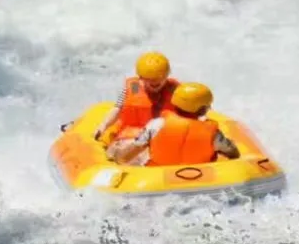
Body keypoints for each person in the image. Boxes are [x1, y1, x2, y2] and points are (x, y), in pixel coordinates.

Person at [106, 82, 240, 167]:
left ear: (175, 103)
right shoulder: (214, 134)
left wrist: (114, 156)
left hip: (157, 178)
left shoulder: (157, 124)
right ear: (203, 109)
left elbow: (127, 155)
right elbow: (234, 154)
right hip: (199, 179)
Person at [93, 51, 179, 142]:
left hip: (163, 136)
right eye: (150, 80)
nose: (155, 82)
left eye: (159, 79)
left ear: (166, 76)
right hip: (133, 134)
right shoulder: (133, 88)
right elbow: (117, 109)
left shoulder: (176, 91)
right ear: (140, 77)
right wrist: (103, 126)